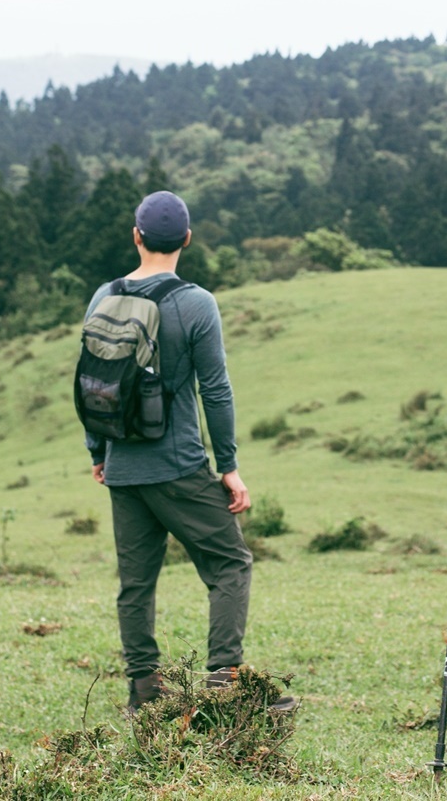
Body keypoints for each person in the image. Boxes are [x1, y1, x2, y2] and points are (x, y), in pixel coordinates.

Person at [84, 190, 291, 714]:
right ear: (187, 241)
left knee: (136, 584)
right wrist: (229, 467)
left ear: (136, 236)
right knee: (230, 564)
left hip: (124, 465)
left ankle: (143, 693)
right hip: (177, 464)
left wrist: (99, 452)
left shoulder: (103, 295)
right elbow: (215, 390)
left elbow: (93, 382)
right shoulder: (196, 302)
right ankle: (225, 685)